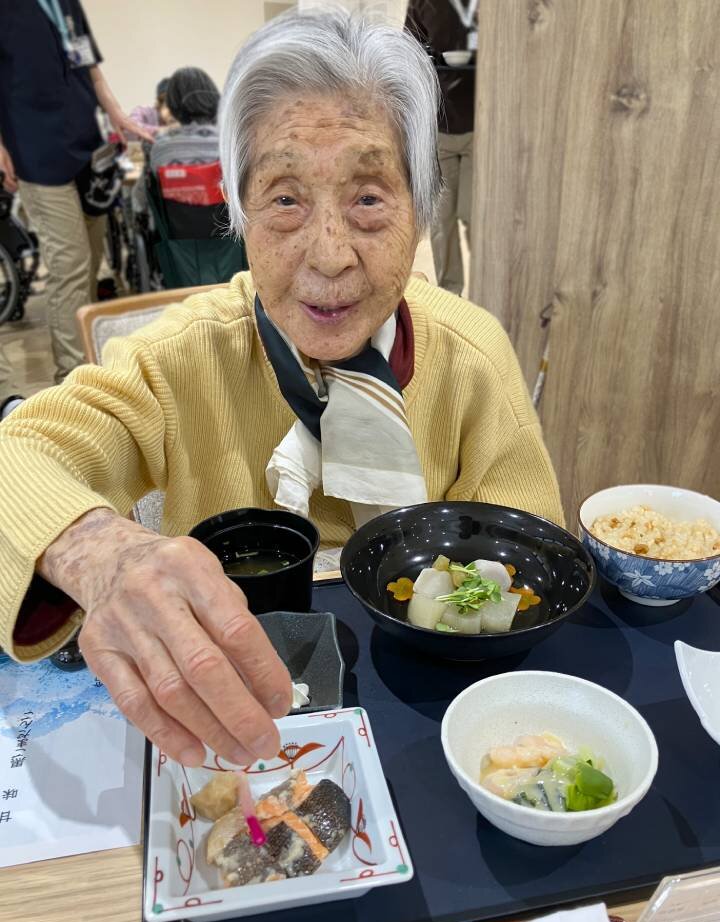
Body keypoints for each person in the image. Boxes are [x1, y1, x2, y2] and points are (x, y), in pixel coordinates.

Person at [0, 11, 563, 769]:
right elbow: (19, 457)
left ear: (420, 209)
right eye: (286, 199)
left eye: (369, 198)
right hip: (228, 725)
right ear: (240, 212)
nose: (328, 256)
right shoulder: (180, 357)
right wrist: (99, 552)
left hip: (439, 723)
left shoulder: (472, 355)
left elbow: (529, 573)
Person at [0, 0, 152, 384]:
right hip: (34, 151)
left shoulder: (68, 4)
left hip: (87, 146)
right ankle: (72, 376)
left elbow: (92, 70)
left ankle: (87, 358)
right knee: (70, 261)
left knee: (92, 256)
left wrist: (119, 117)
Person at [405, 0, 476, 295]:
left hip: (483, 126)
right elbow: (407, 51)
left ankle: (488, 292)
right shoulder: (423, 3)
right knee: (442, 221)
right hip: (439, 126)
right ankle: (451, 295)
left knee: (475, 217)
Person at [132, 67, 221, 215]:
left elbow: (139, 202)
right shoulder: (232, 143)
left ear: (172, 104)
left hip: (176, 228)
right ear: (213, 97)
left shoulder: (160, 148)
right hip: (231, 228)